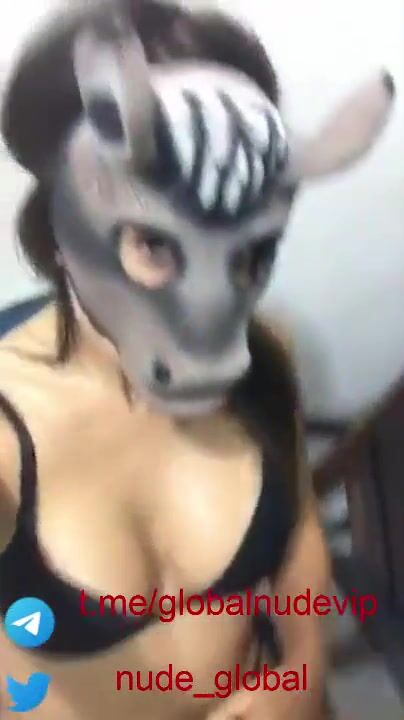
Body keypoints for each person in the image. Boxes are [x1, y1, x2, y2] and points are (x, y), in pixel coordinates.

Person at [0, 1, 395, 718]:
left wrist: (302, 670)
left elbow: (300, 533)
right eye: (154, 245)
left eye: (247, 255)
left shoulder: (266, 354)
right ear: (61, 227)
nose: (209, 322)